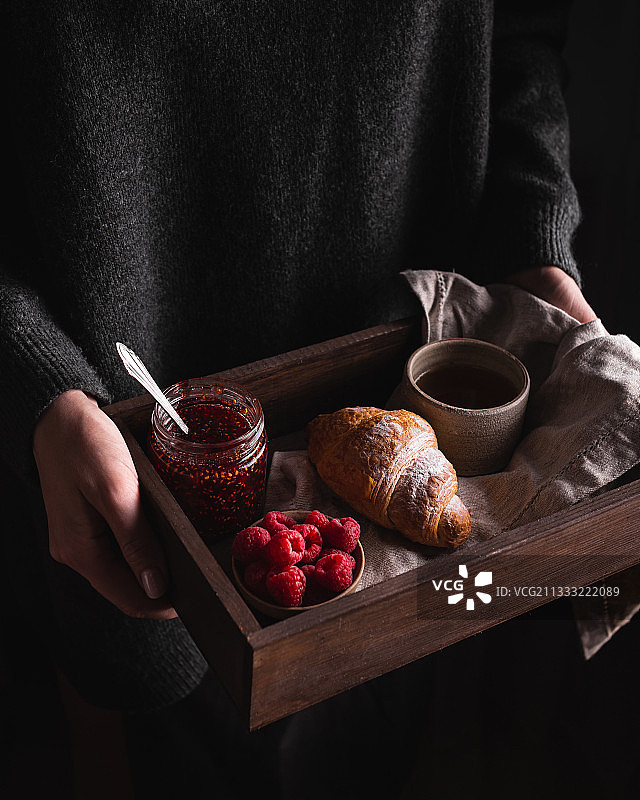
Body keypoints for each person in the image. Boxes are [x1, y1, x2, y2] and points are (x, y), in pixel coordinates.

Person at [2, 2, 598, 796]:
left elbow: (521, 33)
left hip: (410, 352)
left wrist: (530, 240)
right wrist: (30, 378)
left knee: (381, 736)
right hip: (117, 433)